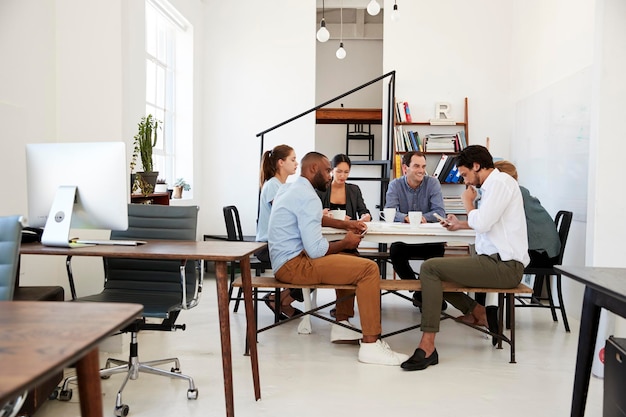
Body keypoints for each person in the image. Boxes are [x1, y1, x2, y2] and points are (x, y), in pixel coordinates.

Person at [268, 151, 408, 365]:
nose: (329, 176)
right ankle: (371, 345)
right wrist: (346, 242)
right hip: (294, 265)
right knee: (368, 269)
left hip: (286, 261)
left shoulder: (291, 188)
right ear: (313, 169)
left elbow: (315, 218)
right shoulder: (309, 196)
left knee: (348, 257)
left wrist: (345, 225)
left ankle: (341, 325)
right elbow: (316, 250)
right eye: (326, 171)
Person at [400, 145, 529, 371]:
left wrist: (467, 204)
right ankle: (479, 313)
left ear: (476, 166)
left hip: (504, 266)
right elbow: (489, 222)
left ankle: (428, 346)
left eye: (465, 174)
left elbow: (484, 222)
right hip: (494, 262)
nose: (465, 180)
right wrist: (461, 223)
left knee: (430, 269)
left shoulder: (500, 183)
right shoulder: (494, 186)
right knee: (435, 273)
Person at [384, 151, 447, 308]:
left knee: (438, 250)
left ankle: (422, 294)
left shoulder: (432, 183)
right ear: (405, 168)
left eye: (424, 166)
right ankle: (419, 289)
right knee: (395, 251)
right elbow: (389, 210)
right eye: (417, 166)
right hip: (405, 241)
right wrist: (405, 217)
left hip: (429, 241)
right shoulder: (395, 185)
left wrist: (424, 217)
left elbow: (440, 212)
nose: (421, 170)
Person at [255, 144, 302, 320]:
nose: (296, 163)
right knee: (312, 261)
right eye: (293, 159)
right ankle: (280, 300)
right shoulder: (273, 186)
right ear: (281, 163)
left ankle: (280, 300)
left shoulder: (282, 185)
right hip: (267, 247)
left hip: (277, 245)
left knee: (315, 257)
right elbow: (286, 215)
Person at [317, 153, 372, 222]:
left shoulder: (354, 190)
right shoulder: (321, 189)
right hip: (326, 231)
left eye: (346, 172)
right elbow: (313, 213)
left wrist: (366, 216)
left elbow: (363, 211)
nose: (342, 176)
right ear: (332, 170)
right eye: (339, 172)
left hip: (350, 230)